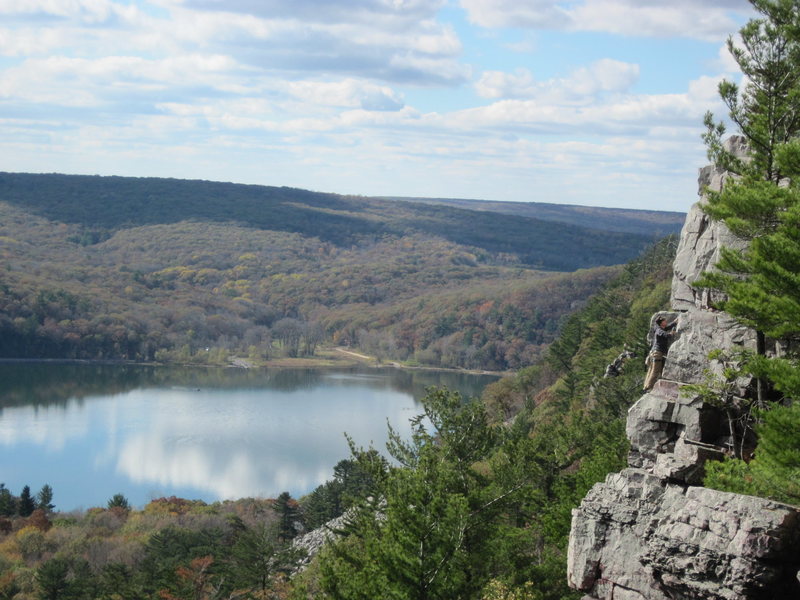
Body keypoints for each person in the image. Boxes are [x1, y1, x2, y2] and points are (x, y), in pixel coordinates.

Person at [643, 316, 677, 392]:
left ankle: (646, 386)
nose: (666, 321)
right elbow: (664, 334)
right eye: (665, 320)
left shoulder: (659, 328)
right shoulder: (659, 330)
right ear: (662, 323)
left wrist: (674, 322)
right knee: (655, 371)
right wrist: (671, 334)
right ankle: (648, 387)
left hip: (653, 353)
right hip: (657, 353)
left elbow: (667, 327)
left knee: (651, 370)